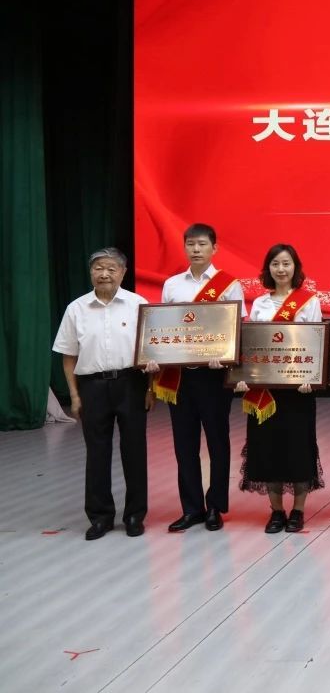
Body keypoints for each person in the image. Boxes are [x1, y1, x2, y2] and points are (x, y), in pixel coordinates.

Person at [52, 248, 153, 540]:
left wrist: (150, 388)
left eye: (111, 268)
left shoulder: (138, 304)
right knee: (96, 452)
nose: (104, 274)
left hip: (131, 383)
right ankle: (100, 517)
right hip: (92, 386)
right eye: (98, 268)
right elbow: (68, 356)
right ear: (90, 272)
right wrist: (74, 395)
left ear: (123, 272)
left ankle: (134, 515)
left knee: (134, 450)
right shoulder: (76, 308)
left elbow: (152, 350)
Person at [151, 223, 245, 533]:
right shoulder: (172, 285)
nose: (196, 249)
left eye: (202, 244)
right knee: (184, 444)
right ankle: (191, 508)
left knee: (217, 441)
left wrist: (226, 354)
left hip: (213, 376)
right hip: (179, 376)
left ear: (214, 248)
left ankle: (215, 506)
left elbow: (237, 328)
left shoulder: (229, 285)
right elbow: (163, 326)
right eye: (190, 244)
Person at [234, 245, 324, 534]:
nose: (281, 269)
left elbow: (316, 342)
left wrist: (314, 376)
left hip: (298, 389)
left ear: (295, 267)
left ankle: (298, 511)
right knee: (267, 450)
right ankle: (276, 511)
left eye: (286, 263)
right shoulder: (260, 304)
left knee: (299, 449)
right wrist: (243, 375)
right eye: (275, 263)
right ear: (268, 269)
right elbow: (251, 345)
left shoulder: (309, 302)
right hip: (266, 391)